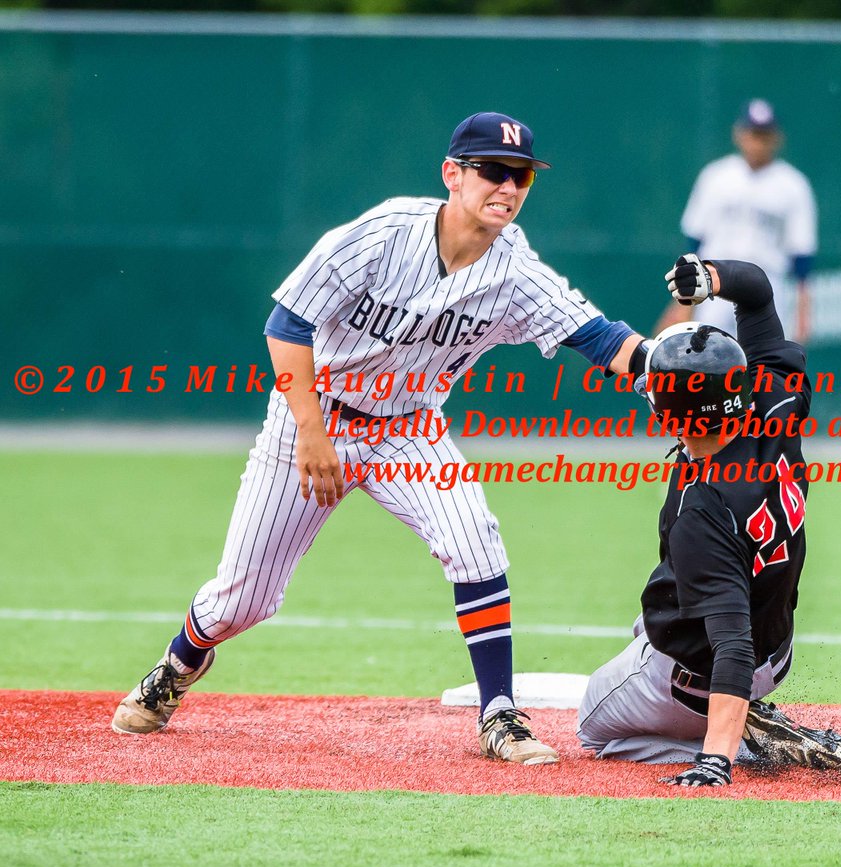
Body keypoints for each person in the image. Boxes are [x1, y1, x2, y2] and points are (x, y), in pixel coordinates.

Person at [111, 112, 650, 766]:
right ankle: (178, 664)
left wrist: (659, 365)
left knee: (474, 541)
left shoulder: (515, 267)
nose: (507, 186)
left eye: (521, 175)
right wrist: (311, 430)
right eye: (491, 170)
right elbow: (287, 323)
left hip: (409, 429)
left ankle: (499, 715)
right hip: (315, 414)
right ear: (453, 174)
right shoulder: (383, 235)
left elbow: (597, 337)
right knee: (244, 599)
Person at [577, 255, 841, 787]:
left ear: (669, 417)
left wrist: (716, 759)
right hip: (776, 652)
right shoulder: (776, 401)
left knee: (593, 727)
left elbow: (730, 646)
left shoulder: (701, 508)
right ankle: (733, 715)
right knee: (659, 615)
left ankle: (732, 739)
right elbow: (757, 291)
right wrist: (710, 277)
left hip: (703, 676)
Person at [655, 99, 818, 342]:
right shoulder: (716, 176)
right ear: (738, 134)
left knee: (763, 365)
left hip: (767, 286)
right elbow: (694, 243)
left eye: (764, 134)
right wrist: (681, 301)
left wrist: (804, 311)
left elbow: (802, 256)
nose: (757, 142)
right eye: (753, 133)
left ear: (777, 138)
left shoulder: (794, 185)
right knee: (705, 356)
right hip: (712, 282)